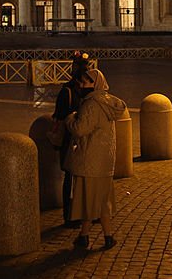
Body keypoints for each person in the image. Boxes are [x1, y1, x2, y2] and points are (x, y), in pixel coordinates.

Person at [65, 68, 127, 250]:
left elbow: (79, 129)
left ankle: (88, 237)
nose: (83, 86)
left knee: (88, 200)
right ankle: (102, 237)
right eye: (82, 82)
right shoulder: (108, 103)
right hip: (105, 161)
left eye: (86, 83)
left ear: (95, 84)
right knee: (100, 200)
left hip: (90, 159)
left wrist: (70, 118)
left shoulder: (91, 104)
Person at [53, 52, 91, 228]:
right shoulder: (66, 92)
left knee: (82, 177)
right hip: (69, 140)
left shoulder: (88, 91)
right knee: (69, 178)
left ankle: (83, 211)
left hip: (83, 139)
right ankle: (68, 215)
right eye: (84, 69)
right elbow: (59, 118)